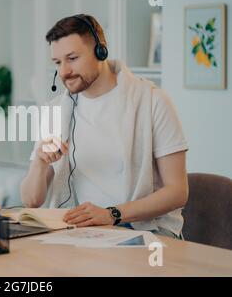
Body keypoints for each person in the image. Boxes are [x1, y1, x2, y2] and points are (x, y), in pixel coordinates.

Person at [20, 14, 189, 239]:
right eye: (58, 62)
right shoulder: (56, 111)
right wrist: (39, 164)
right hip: (85, 234)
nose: (64, 72)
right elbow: (31, 201)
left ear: (101, 51)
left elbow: (177, 192)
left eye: (72, 58)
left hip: (145, 232)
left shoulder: (152, 102)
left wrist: (112, 214)